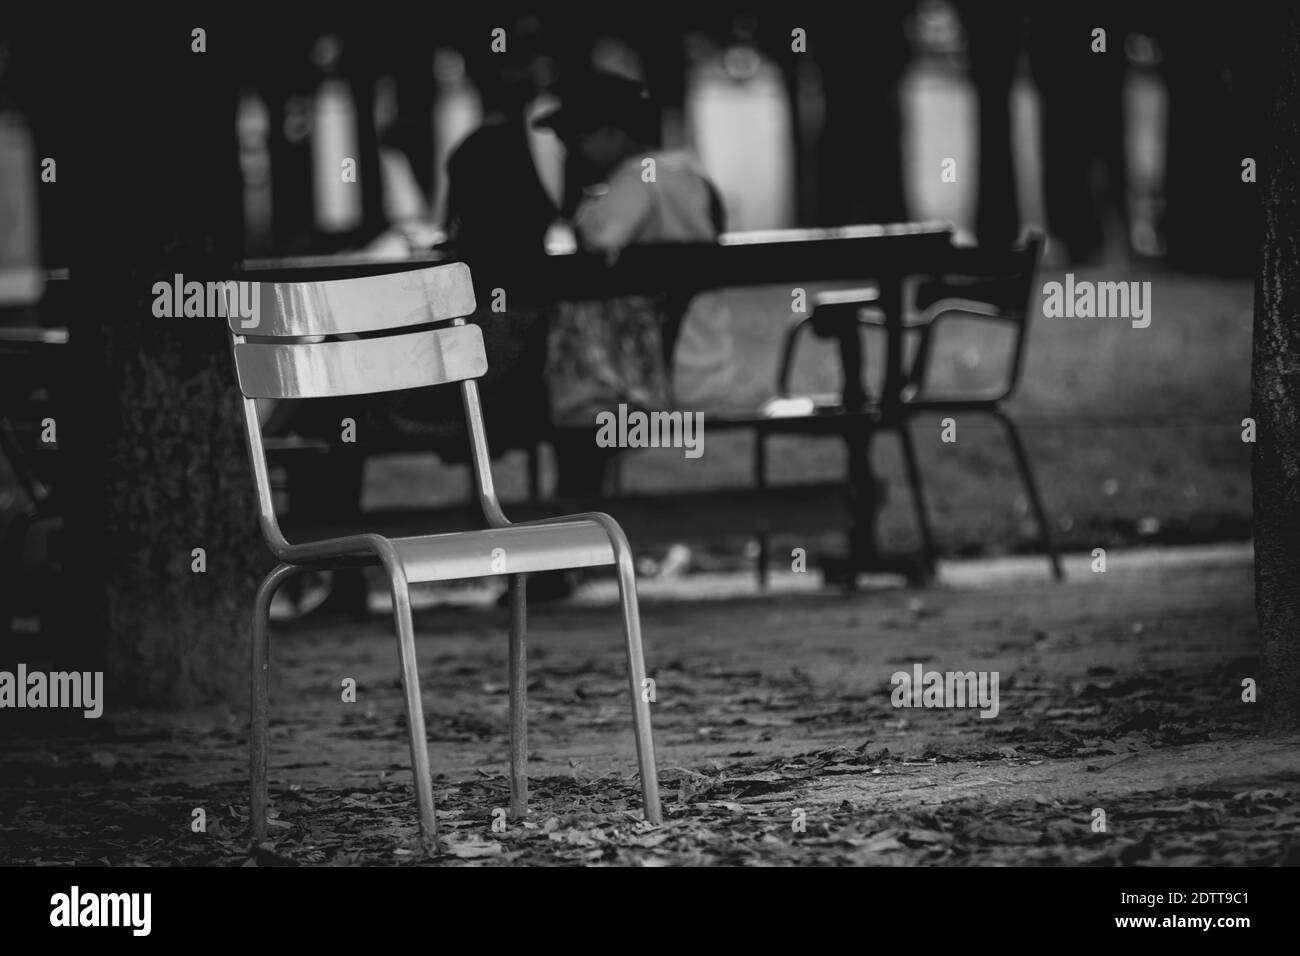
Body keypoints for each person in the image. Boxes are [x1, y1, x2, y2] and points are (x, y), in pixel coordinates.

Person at [533, 71, 734, 496]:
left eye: (575, 134)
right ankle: (581, 539)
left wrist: (583, 203)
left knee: (574, 416)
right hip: (707, 362)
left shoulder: (638, 176)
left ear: (610, 131)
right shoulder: (686, 172)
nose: (568, 147)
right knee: (580, 416)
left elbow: (597, 238)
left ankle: (569, 542)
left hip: (664, 382)